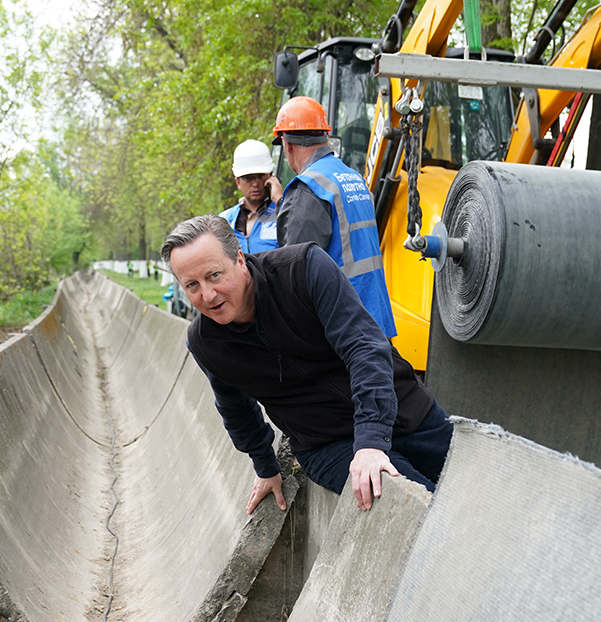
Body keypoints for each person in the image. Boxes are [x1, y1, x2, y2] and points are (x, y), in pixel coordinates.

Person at [161, 215, 452, 514]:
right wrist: (265, 466)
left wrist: (371, 440)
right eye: (192, 285)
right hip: (328, 445)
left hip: (405, 411)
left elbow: (363, 348)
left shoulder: (302, 268)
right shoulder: (205, 342)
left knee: (478, 499)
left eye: (214, 276)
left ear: (239, 259)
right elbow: (234, 408)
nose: (207, 296)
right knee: (421, 514)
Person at [272, 96, 396, 338]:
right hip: (374, 318)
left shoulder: (308, 188)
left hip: (343, 329)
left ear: (286, 143)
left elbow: (295, 275)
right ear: (325, 137)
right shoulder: (354, 179)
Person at [219, 139, 283, 254]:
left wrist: (280, 201)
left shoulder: (284, 212)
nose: (255, 183)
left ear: (271, 177)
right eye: (248, 177)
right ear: (237, 182)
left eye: (261, 176)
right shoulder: (224, 221)